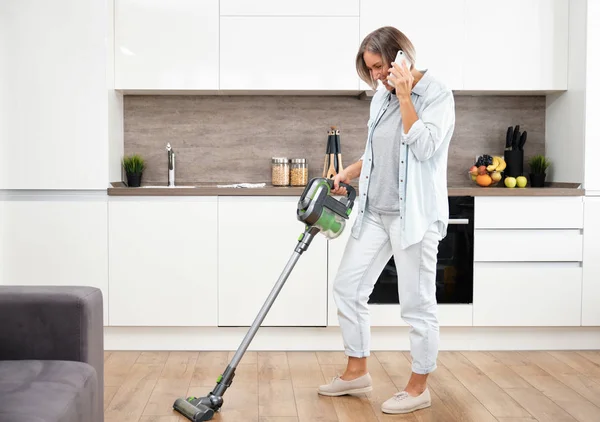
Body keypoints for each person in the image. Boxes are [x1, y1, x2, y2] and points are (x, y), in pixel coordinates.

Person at [316, 26, 455, 414]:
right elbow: (375, 153)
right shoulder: (380, 97)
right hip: (375, 212)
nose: (376, 76)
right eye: (370, 69)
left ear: (400, 57)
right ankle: (357, 370)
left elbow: (425, 147)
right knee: (347, 287)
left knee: (416, 303)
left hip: (414, 217)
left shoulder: (437, 94)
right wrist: (349, 173)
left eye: (380, 67)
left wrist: (407, 96)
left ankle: (418, 385)